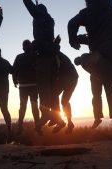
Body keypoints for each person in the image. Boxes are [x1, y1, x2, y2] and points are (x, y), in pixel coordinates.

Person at [68, 0, 112, 129]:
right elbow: (89, 38)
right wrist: (78, 40)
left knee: (97, 93)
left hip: (96, 59)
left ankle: (99, 117)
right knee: (109, 91)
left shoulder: (88, 12)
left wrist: (73, 40)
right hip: (109, 57)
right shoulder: (111, 7)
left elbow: (72, 23)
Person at [23, 0, 66, 135]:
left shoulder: (39, 16)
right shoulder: (49, 20)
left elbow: (28, 5)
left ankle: (46, 116)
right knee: (52, 91)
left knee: (43, 91)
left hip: (44, 60)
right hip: (53, 61)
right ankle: (58, 119)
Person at [12, 40, 40, 135]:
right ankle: (38, 126)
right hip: (34, 85)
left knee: (22, 107)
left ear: (23, 47)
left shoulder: (19, 57)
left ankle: (20, 126)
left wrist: (15, 81)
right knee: (34, 106)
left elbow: (14, 70)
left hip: (23, 86)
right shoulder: (36, 56)